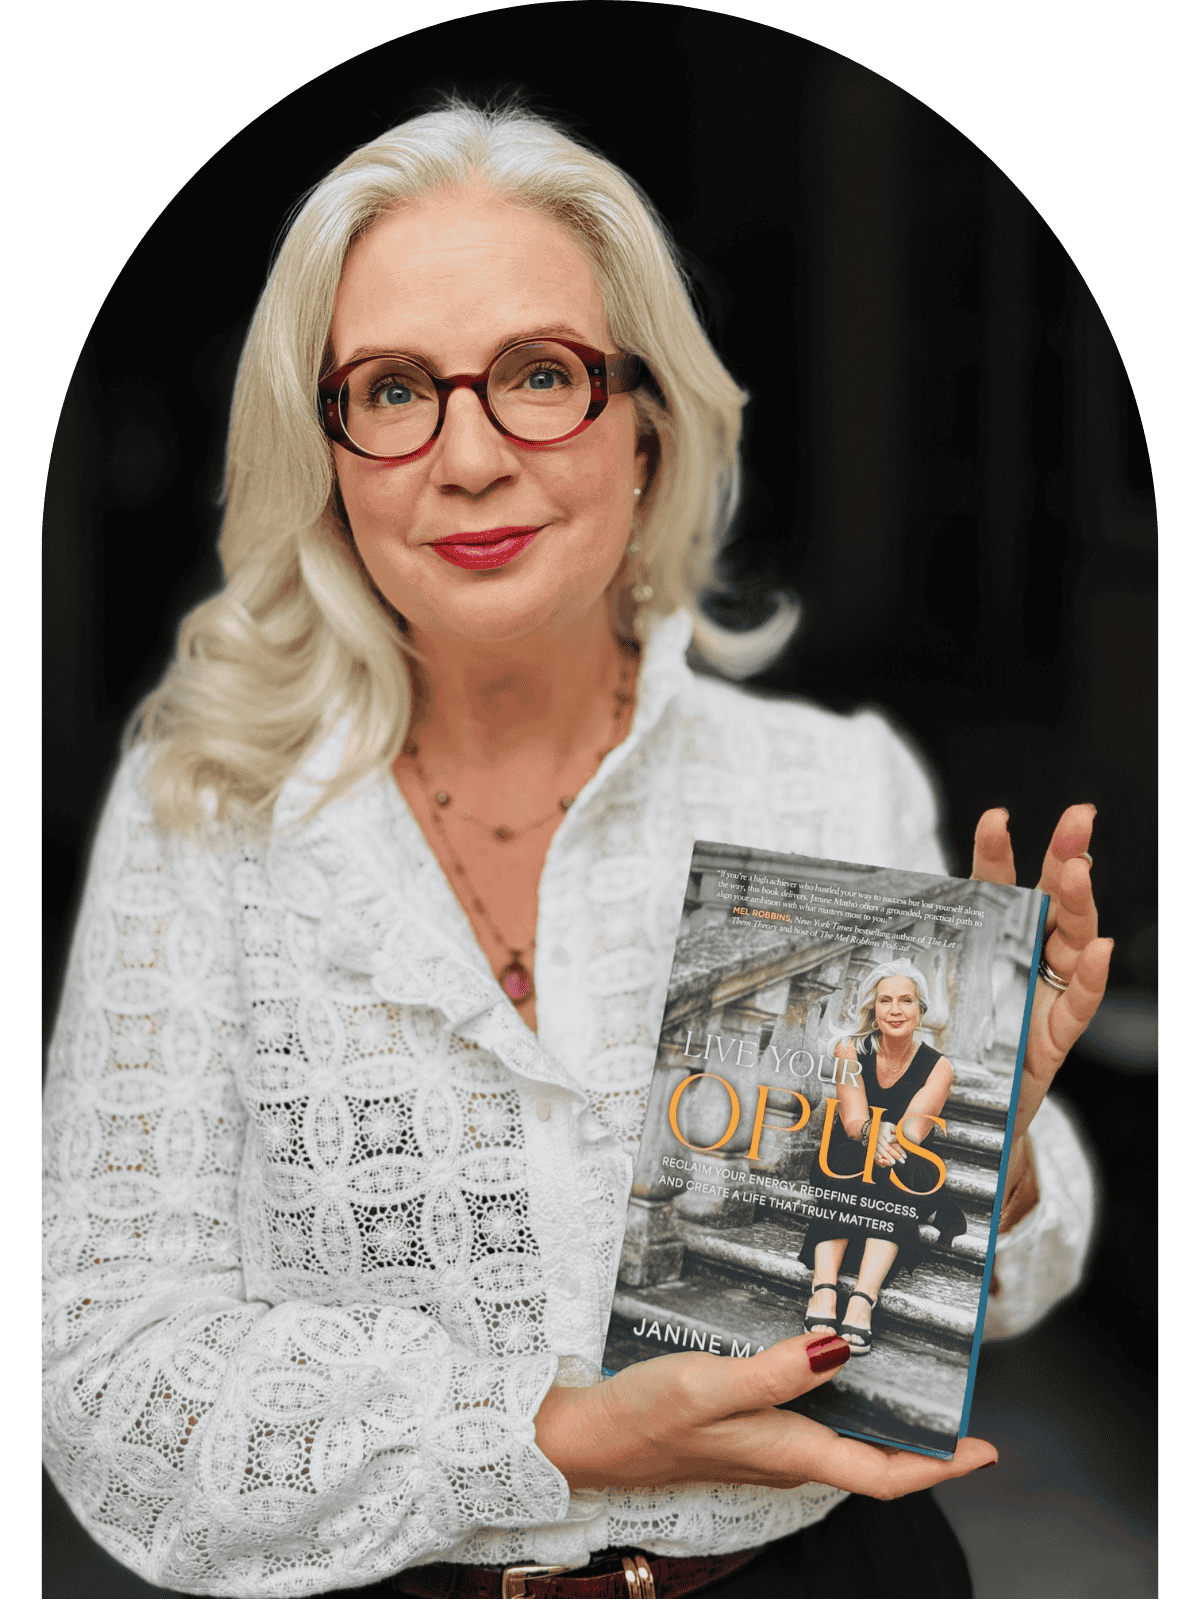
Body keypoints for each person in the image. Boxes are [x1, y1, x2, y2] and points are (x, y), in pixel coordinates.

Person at [41, 91, 1111, 1600]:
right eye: (396, 389)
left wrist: (979, 1163)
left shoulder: (827, 786)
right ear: (329, 453)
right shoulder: (206, 813)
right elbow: (110, 1374)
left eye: (540, 374)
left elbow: (1004, 1266)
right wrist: (553, 1436)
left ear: (648, 429)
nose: (468, 457)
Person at [800, 963, 958, 1357]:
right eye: (885, 1000)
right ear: (873, 1009)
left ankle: (861, 1299)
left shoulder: (940, 1066)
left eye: (906, 1000)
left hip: (908, 1155)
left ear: (921, 1010)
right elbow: (853, 1120)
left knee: (892, 1173)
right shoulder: (849, 1049)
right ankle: (823, 1288)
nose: (895, 1009)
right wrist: (876, 1132)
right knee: (853, 1162)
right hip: (856, 1145)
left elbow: (912, 1133)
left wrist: (889, 1136)